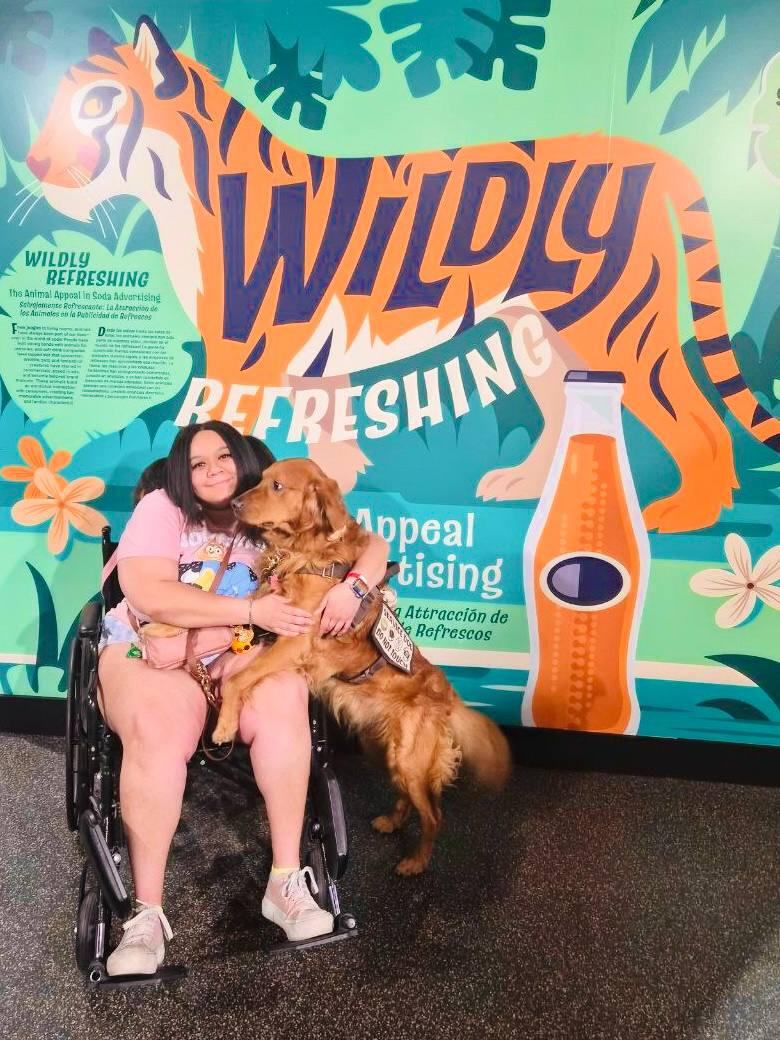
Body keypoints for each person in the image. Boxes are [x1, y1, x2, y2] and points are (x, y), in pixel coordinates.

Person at [97, 420, 389, 975]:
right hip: (153, 648)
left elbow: (368, 542)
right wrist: (250, 613)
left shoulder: (271, 508)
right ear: (181, 473)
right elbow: (148, 592)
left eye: (223, 457)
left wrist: (355, 587)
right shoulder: (162, 510)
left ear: (244, 461)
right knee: (159, 733)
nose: (212, 471)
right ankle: (145, 913)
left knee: (283, 699)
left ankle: (285, 881)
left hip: (236, 651)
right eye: (197, 463)